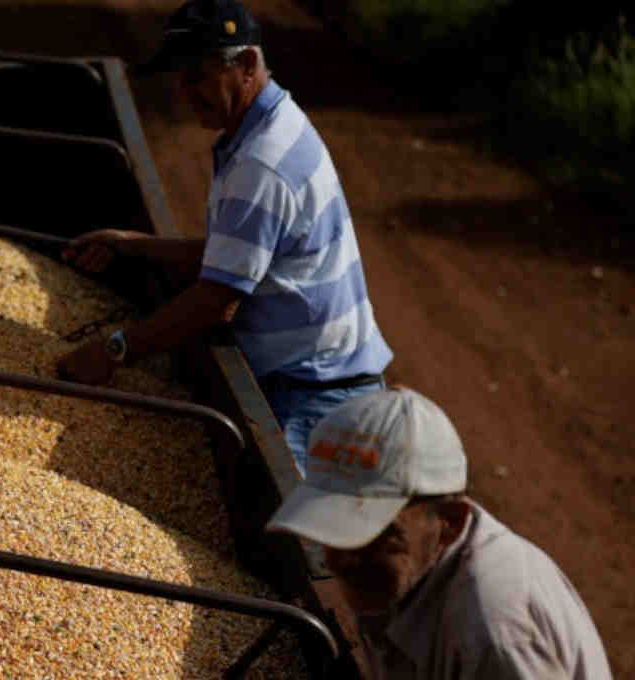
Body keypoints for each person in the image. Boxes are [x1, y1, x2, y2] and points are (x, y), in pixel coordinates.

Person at [55, 0, 392, 476]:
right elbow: (238, 259)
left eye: (197, 75)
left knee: (304, 540)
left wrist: (115, 350)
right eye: (180, 77)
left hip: (316, 399)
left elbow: (218, 299)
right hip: (326, 382)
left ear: (247, 65)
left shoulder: (262, 162)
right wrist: (134, 244)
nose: (185, 92)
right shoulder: (270, 125)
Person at [265, 387, 612, 679]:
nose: (339, 559)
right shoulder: (401, 576)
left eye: (373, 535)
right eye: (334, 531)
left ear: (449, 521)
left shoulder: (493, 633)